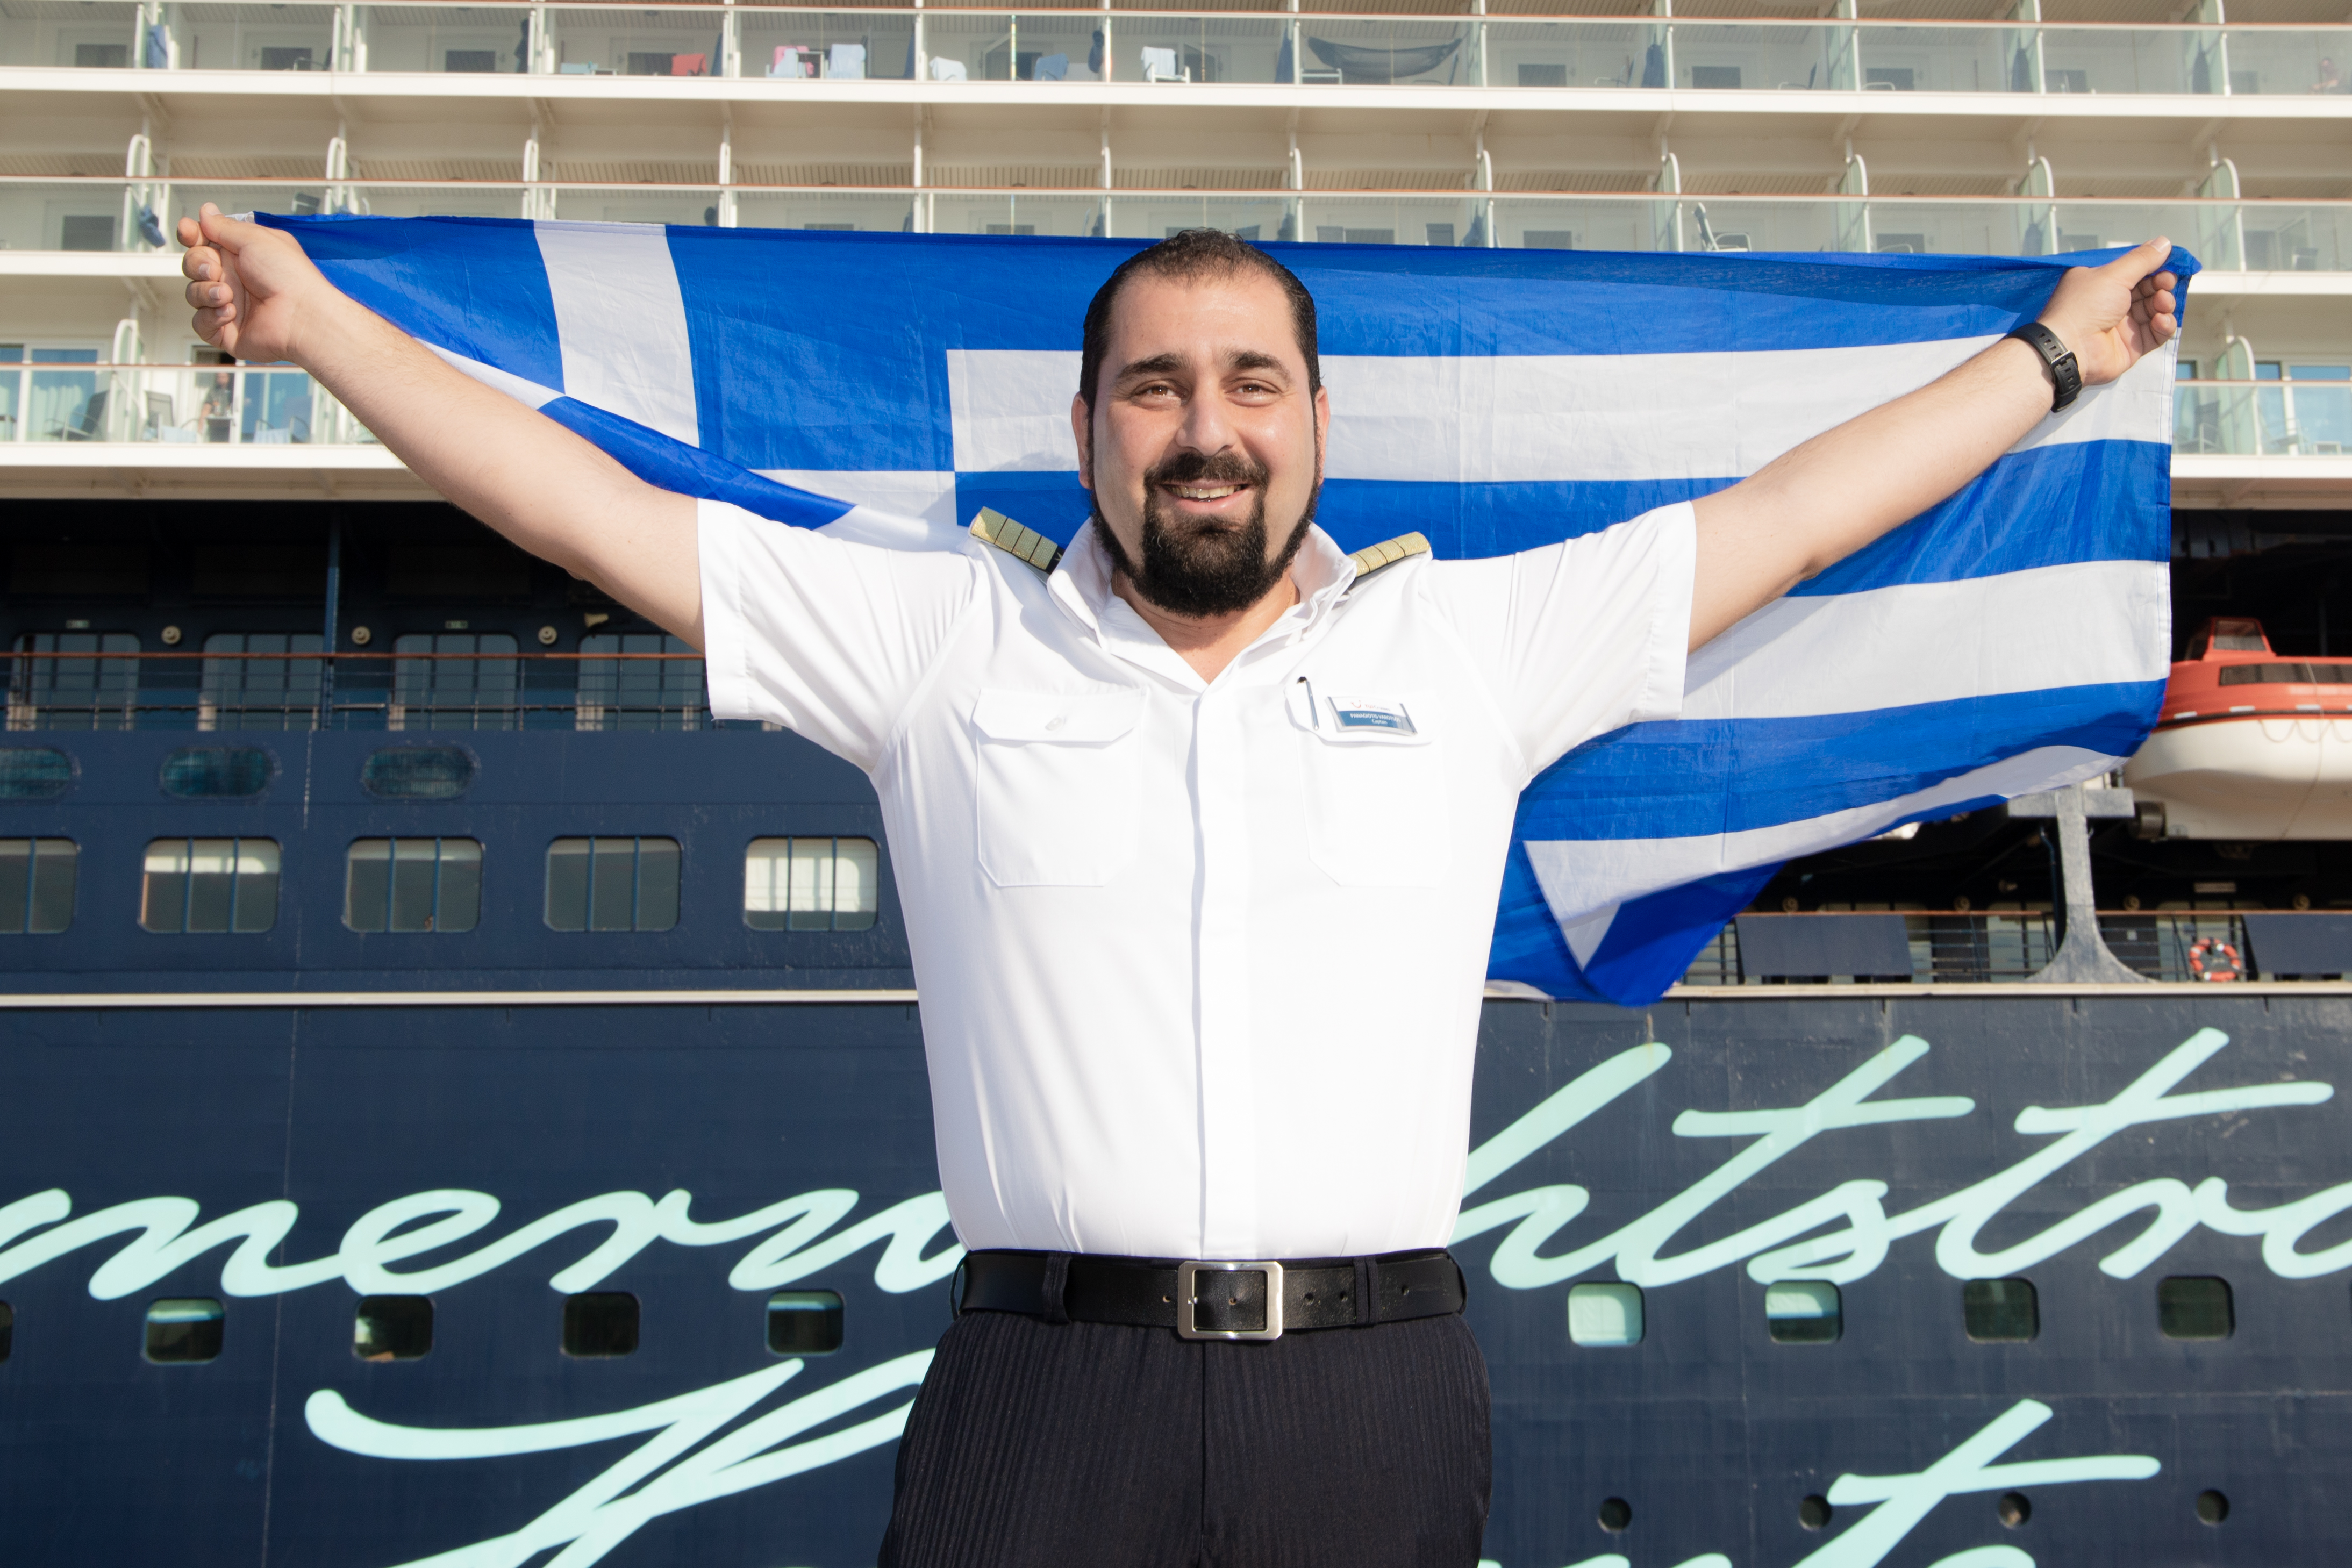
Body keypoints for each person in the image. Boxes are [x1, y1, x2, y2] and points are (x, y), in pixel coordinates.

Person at [177, 204, 2177, 1566]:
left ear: (1316, 423)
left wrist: (2055, 356)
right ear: (1086, 428)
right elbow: (593, 512)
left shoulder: (1472, 648)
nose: (1204, 431)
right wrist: (315, 324)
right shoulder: (937, 641)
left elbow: (1795, 516)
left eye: (1248, 383)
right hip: (1046, 1388)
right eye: (1154, 387)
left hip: (1375, 1391)